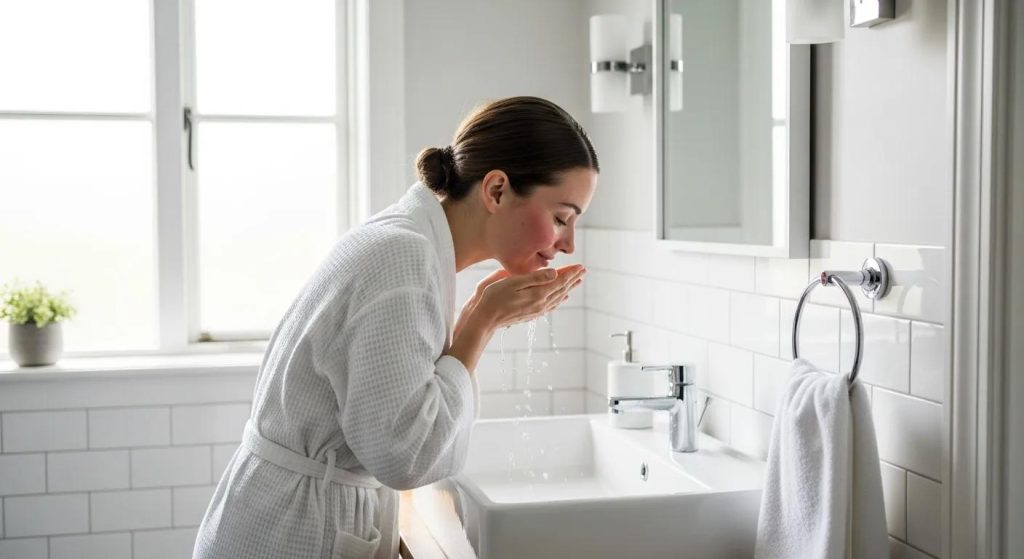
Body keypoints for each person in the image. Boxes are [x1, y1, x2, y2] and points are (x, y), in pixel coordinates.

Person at [192, 96, 599, 559]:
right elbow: (406, 455)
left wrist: (476, 318)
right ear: (497, 190)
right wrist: (480, 322)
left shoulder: (409, 241)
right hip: (287, 533)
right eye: (562, 218)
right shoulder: (402, 255)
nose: (568, 244)